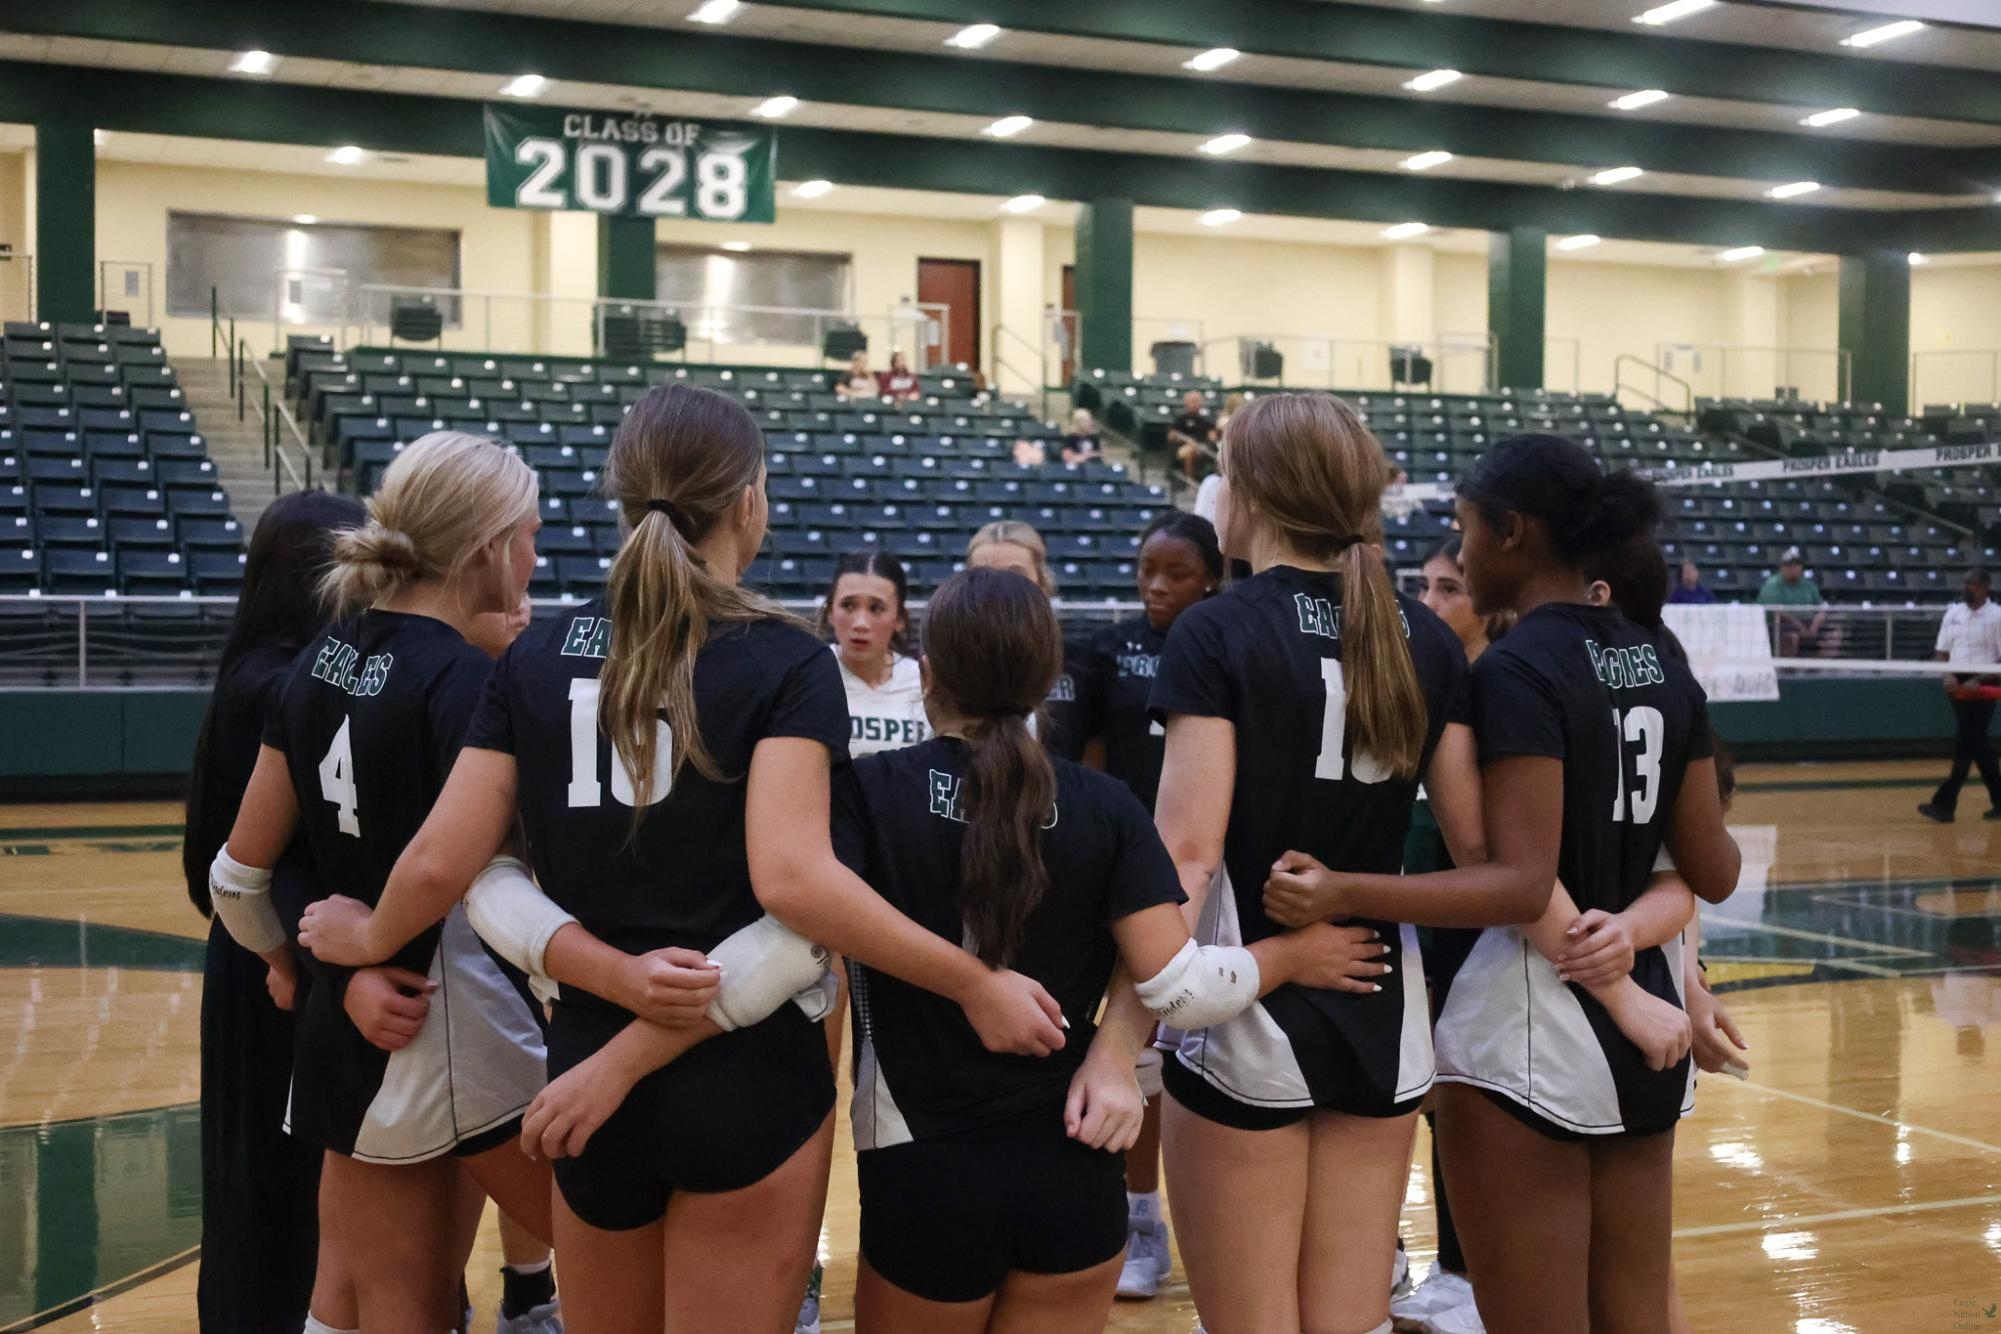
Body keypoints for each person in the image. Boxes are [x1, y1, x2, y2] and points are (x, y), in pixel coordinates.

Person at [297, 384, 1074, 1333]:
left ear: (621, 496)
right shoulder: (786, 661)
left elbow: (457, 868)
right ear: (748, 499)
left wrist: (577, 971)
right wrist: (971, 981)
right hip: (747, 1077)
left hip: (579, 1074)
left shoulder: (536, 655)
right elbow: (794, 889)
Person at [836, 567, 1393, 1333]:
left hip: (926, 1170)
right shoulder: (1107, 805)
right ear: (1046, 681)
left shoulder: (866, 793)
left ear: (925, 674)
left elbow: (801, 911)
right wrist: (1290, 957)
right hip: (1078, 1156)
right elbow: (1184, 989)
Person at [1272, 434, 1740, 1334]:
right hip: (1646, 1029)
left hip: (1527, 1030)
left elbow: (1518, 883)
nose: (1459, 553)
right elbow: (1710, 870)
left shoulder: (1516, 671)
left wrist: (1343, 891)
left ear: (1511, 531)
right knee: (1638, 1316)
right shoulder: (1662, 663)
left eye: (1464, 532)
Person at [1149, 393, 1516, 1334]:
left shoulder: (1215, 630)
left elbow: (1186, 857)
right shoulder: (1427, 638)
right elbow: (1478, 859)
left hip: (1242, 999)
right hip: (1382, 1001)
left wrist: (1118, 1037)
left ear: (1255, 492)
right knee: (1348, 1321)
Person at [207, 432, 556, 1334]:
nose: (536, 557)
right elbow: (466, 870)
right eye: (529, 536)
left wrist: (309, 964)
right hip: (451, 1014)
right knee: (587, 1243)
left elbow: (238, 877)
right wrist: (361, 947)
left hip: (353, 1025)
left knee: (348, 1291)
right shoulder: (469, 682)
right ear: (486, 549)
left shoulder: (313, 667)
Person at [182, 489, 365, 1334]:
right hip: (277, 962)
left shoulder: (257, 671)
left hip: (253, 956)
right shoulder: (286, 686)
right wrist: (293, 957)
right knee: (279, 1175)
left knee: (255, 1174)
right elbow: (245, 865)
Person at [1065, 511, 1225, 1300]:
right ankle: (1119, 1213)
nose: (1156, 588)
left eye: (1176, 574)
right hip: (1120, 867)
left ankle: (1165, 1217)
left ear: (1212, 577)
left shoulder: (1229, 647)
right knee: (1120, 1039)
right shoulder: (1108, 649)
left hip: (1203, 871)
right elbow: (1089, 758)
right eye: (1146, 572)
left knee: (1179, 1044)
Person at [1391, 532, 1515, 1334]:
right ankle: (1391, 1257)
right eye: (1424, 588)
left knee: (1456, 1105)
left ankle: (1466, 1271)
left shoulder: (1502, 699)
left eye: (1448, 590)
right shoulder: (1415, 687)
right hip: (1404, 932)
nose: (1429, 605)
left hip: (1475, 943)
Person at [965, 520, 1091, 762]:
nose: (1000, 588)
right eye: (983, 575)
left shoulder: (1081, 664)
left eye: (1016, 575)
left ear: (1043, 583)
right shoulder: (948, 664)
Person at [825, 550, 928, 757]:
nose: (860, 623)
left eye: (876, 608)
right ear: (830, 612)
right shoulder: (808, 676)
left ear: (900, 618)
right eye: (848, 605)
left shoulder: (923, 683)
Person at [1918, 568, 2001, 823]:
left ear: (1985, 588)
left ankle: (1944, 803)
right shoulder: (1953, 613)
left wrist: (1980, 679)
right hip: (1956, 684)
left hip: (1984, 684)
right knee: (1978, 745)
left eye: (1973, 585)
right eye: (1965, 583)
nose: (1967, 588)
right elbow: (1942, 649)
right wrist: (1946, 675)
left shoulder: (1997, 616)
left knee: (1967, 744)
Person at [1756, 547, 1826, 657]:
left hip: (1808, 623)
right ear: (1782, 567)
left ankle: (1818, 669)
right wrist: (1800, 627)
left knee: (1833, 633)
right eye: (1789, 566)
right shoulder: (1773, 585)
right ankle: (1787, 670)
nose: (1793, 569)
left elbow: (1822, 608)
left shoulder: (1808, 585)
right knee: (1791, 636)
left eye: (1796, 565)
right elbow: (1777, 611)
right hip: (1780, 624)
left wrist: (1814, 627)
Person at [1166, 389, 1218, 483]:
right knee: (1190, 451)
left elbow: (1212, 437)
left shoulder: (1207, 420)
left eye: (1197, 401)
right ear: (1186, 403)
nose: (1194, 404)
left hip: (1201, 448)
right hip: (1183, 448)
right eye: (1192, 402)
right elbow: (1171, 435)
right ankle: (1189, 480)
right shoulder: (1181, 419)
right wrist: (1186, 439)